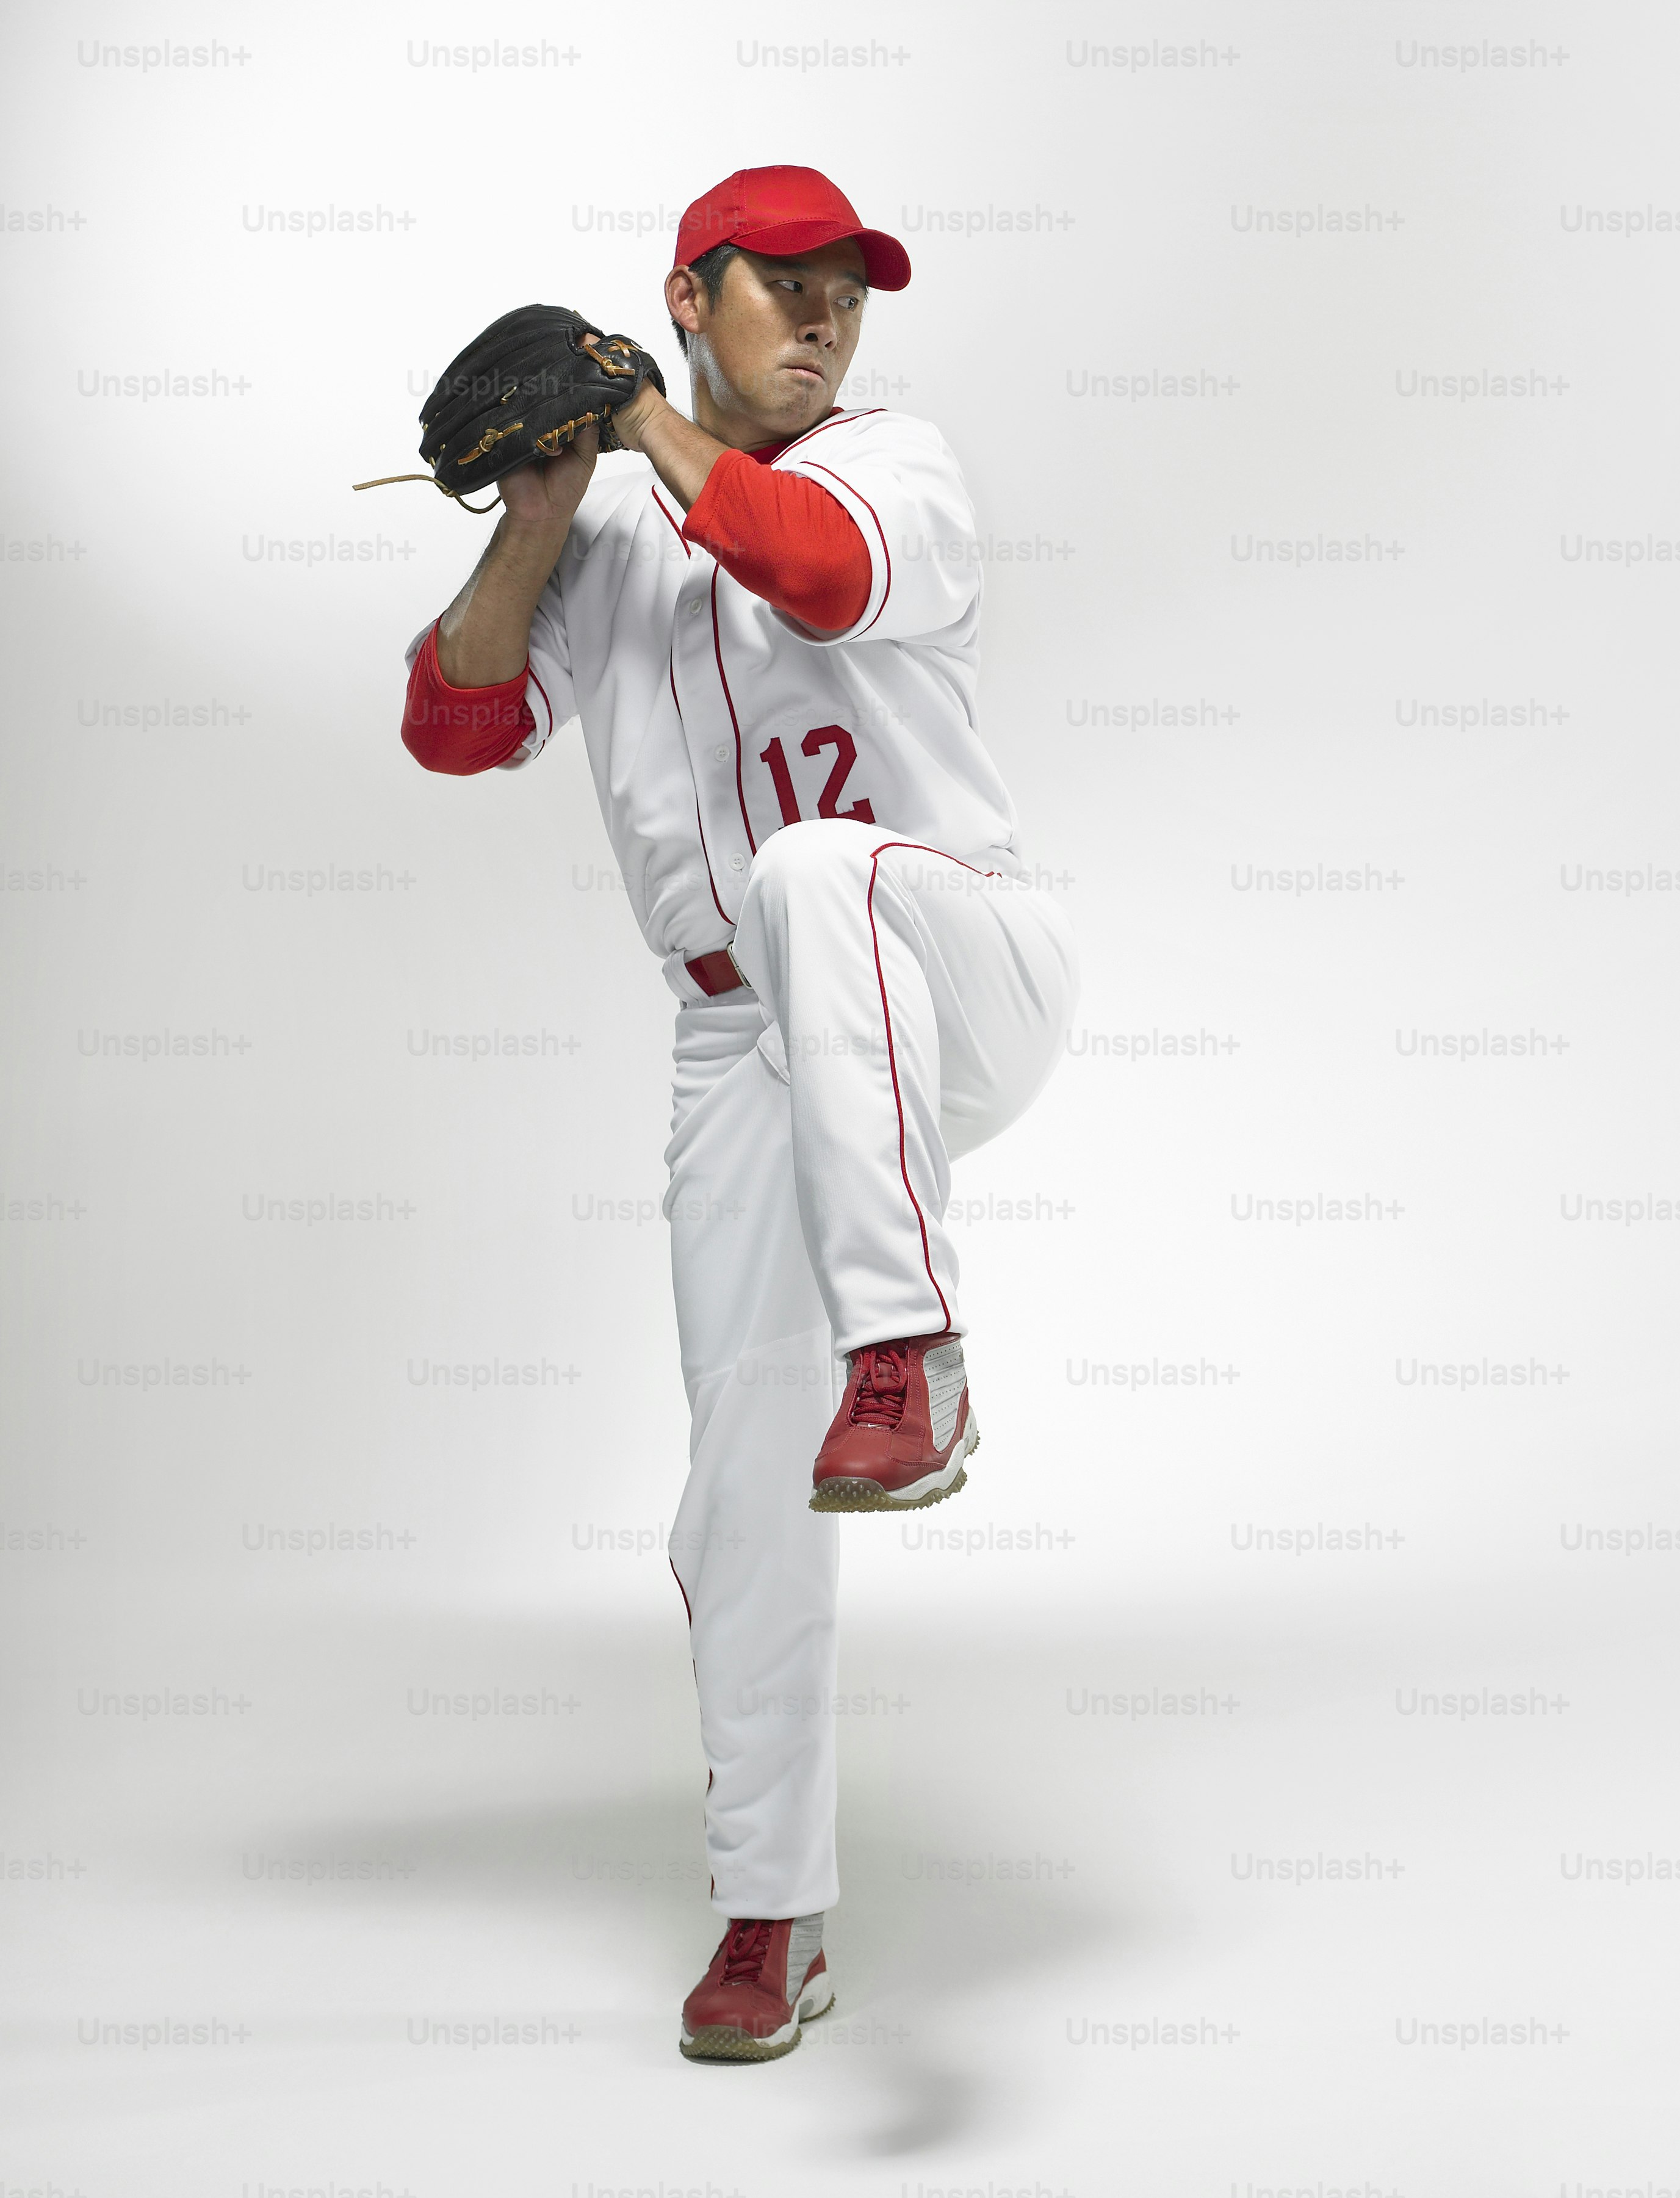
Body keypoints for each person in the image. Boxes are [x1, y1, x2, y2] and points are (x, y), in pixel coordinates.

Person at [397, 165, 1079, 2064]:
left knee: (811, 874)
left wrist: (638, 420)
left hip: (958, 965)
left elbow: (818, 571)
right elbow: (450, 724)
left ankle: (914, 1351)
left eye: (849, 289)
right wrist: (541, 518)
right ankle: (773, 1912)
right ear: (690, 293)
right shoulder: (613, 540)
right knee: (737, 1486)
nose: (829, 318)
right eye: (785, 287)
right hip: (741, 1056)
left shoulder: (895, 461)